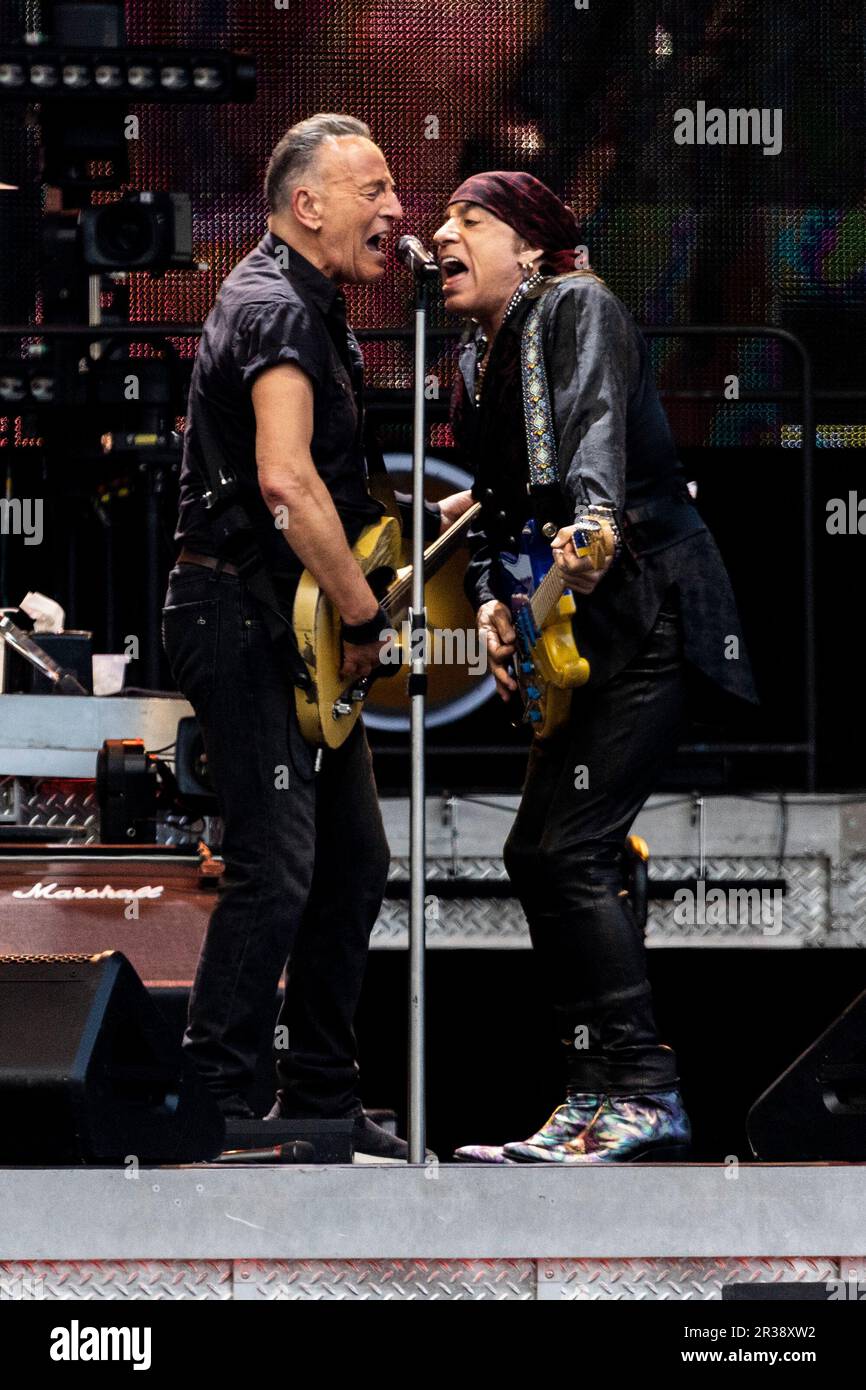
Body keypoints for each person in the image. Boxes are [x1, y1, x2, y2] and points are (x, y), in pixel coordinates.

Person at [162, 113, 470, 1159]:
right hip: (241, 615)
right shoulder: (273, 307)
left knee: (351, 861)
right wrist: (359, 614)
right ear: (307, 205)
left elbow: (322, 484)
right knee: (277, 864)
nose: (397, 210)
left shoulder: (310, 306)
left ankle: (319, 1100)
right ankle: (218, 1100)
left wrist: (412, 524)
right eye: (375, 189)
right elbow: (284, 483)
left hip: (278, 616)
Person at [434, 171, 758, 1163]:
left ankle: (645, 1091)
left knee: (567, 850)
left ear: (527, 244)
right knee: (539, 854)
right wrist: (494, 598)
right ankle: (592, 1094)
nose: (441, 235)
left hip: (647, 611)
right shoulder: (472, 353)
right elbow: (496, 499)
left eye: (468, 220)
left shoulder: (576, 304)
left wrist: (592, 520)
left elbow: (592, 437)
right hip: (581, 636)